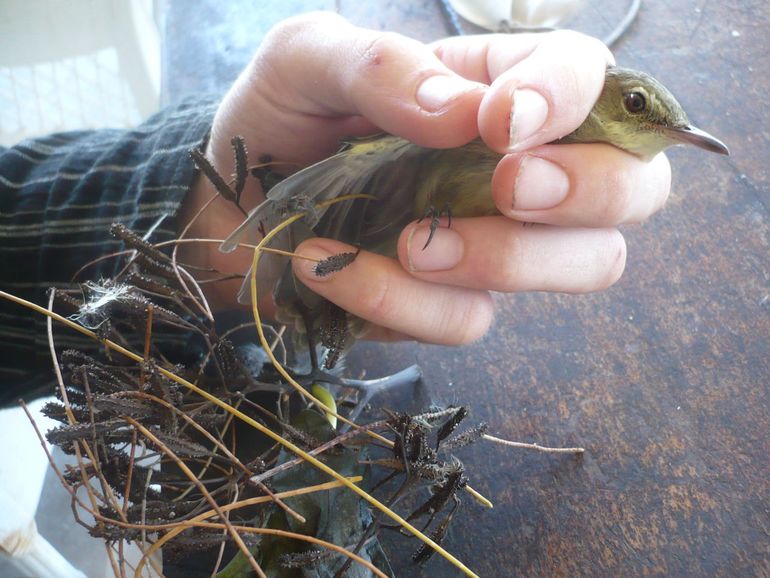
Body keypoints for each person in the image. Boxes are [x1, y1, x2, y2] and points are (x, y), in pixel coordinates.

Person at [0, 13, 671, 401]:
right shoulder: (518, 115)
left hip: (311, 224)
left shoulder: (549, 132)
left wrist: (208, 222)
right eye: (640, 107)